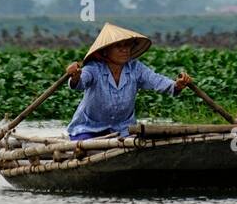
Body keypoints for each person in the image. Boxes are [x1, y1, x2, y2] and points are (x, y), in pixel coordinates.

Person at [65, 22, 194, 141]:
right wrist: (75, 76)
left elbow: (156, 80)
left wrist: (176, 85)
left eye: (127, 45)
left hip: (123, 130)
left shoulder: (135, 68)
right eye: (118, 46)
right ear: (105, 51)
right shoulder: (93, 68)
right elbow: (80, 82)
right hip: (89, 129)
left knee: (139, 143)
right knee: (85, 148)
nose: (125, 49)